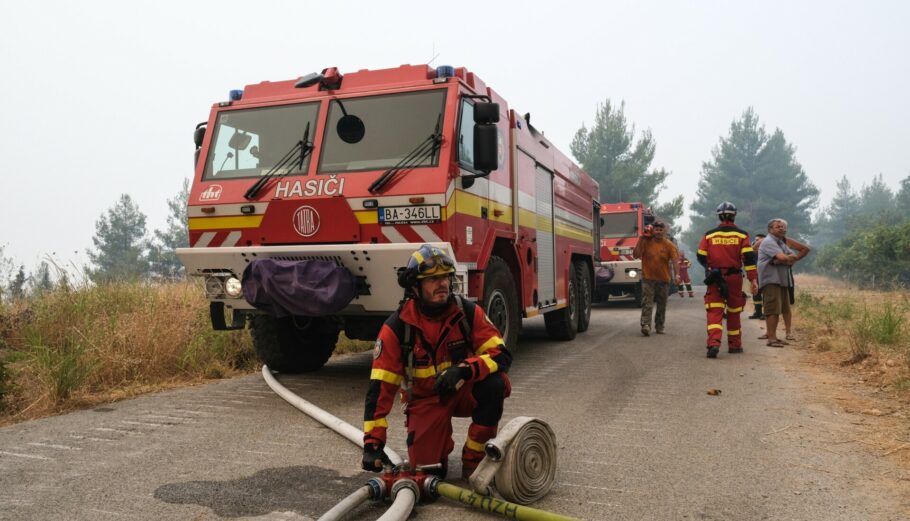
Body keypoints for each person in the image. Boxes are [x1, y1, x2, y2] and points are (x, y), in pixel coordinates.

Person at [361, 244, 512, 480]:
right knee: (429, 473)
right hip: (425, 401)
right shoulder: (397, 328)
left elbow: (501, 355)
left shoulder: (467, 313)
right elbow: (380, 389)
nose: (442, 284)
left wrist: (464, 371)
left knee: (495, 384)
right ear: (415, 287)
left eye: (445, 277)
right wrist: (373, 443)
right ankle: (436, 451)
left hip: (463, 389)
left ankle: (474, 460)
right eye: (432, 279)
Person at [697, 202, 758, 358]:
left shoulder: (709, 235)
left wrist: (710, 269)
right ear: (734, 215)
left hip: (715, 278)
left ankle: (713, 343)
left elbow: (701, 256)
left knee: (714, 311)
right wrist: (753, 280)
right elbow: (749, 259)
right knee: (734, 311)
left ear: (719, 215)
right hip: (734, 278)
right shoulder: (742, 235)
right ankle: (735, 345)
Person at [757, 219, 810, 347]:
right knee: (772, 310)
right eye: (778, 227)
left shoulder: (780, 242)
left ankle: (773, 336)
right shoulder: (769, 241)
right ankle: (772, 339)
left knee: (781, 308)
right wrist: (785, 259)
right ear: (770, 229)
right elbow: (784, 257)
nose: (782, 228)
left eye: (783, 227)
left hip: (781, 280)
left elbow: (792, 256)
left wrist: (785, 259)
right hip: (771, 280)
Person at [632, 220, 679, 336]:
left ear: (664, 231)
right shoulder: (646, 242)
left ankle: (659, 326)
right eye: (656, 229)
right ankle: (646, 325)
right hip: (648, 278)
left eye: (661, 230)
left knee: (662, 304)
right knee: (647, 302)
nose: (658, 232)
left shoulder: (669, 245)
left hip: (664, 279)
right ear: (653, 230)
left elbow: (675, 261)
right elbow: (636, 255)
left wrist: (677, 275)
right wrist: (641, 239)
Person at [748, 233, 767, 319]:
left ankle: (766, 313)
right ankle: (758, 312)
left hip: (766, 275)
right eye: (755, 240)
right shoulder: (753, 249)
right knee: (756, 294)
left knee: (766, 295)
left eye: (758, 240)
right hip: (756, 274)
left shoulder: (767, 249)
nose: (756, 242)